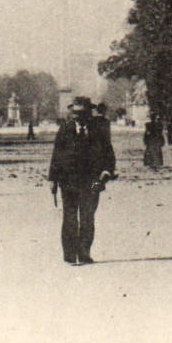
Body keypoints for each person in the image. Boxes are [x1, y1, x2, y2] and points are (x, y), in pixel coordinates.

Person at [47, 96, 116, 265]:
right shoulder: (65, 129)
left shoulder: (99, 130)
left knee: (87, 218)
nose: (78, 116)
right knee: (69, 217)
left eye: (82, 113)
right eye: (75, 113)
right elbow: (56, 155)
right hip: (68, 181)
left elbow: (108, 153)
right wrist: (52, 179)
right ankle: (70, 254)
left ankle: (84, 252)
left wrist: (106, 174)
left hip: (91, 182)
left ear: (89, 113)